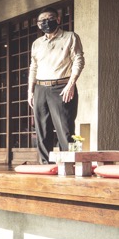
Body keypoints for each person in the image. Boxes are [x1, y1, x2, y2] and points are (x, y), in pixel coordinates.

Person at [27, 9, 84, 164]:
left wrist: (71, 84)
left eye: (50, 18)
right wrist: (30, 91)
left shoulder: (70, 37)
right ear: (38, 25)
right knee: (42, 130)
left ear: (58, 20)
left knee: (65, 129)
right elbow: (33, 67)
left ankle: (69, 165)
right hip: (40, 88)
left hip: (62, 86)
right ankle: (46, 164)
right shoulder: (37, 43)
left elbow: (78, 60)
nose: (46, 22)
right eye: (41, 21)